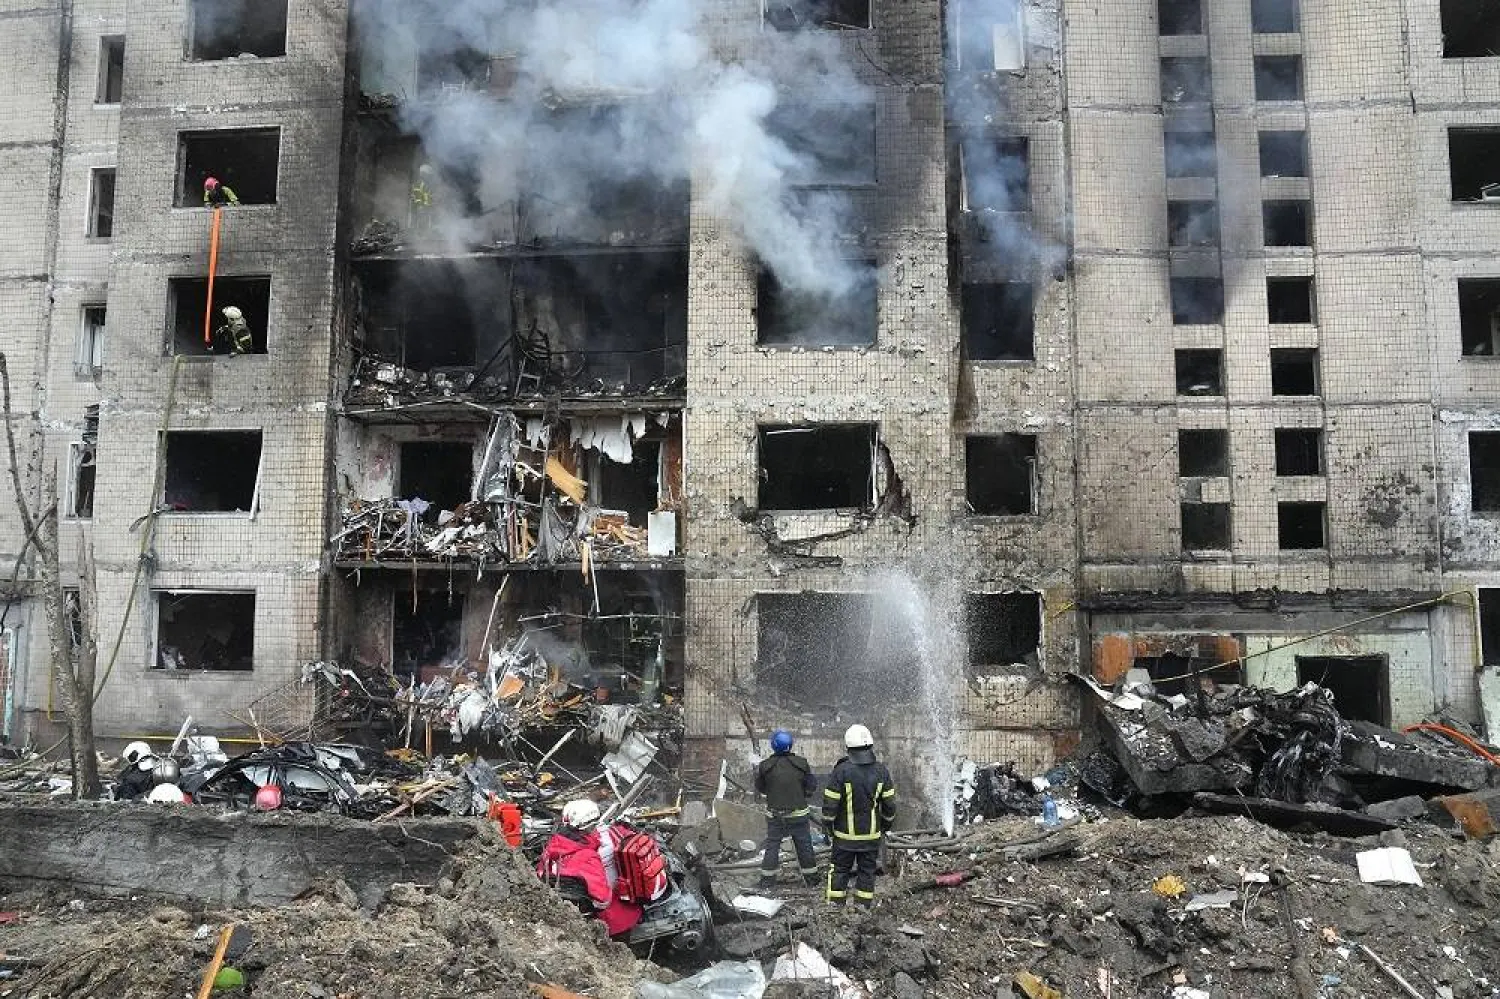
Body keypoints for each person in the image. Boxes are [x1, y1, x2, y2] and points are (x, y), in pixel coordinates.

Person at [536, 799, 642, 936]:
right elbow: (603, 901)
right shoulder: (588, 857)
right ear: (591, 826)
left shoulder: (554, 844)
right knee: (629, 912)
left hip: (563, 907)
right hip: (606, 922)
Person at [821, 724, 897, 905]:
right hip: (870, 837)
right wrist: (886, 825)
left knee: (839, 871)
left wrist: (828, 827)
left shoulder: (841, 771)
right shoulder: (881, 771)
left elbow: (830, 804)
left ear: (848, 747)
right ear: (870, 745)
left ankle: (834, 909)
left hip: (844, 837)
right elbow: (890, 805)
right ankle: (862, 909)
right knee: (867, 872)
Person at [755, 728, 820, 889]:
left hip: (775, 816)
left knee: (772, 846)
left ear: (773, 745)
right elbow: (811, 786)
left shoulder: (765, 766)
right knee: (804, 846)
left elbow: (761, 788)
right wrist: (802, 793)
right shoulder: (802, 764)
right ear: (790, 745)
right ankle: (812, 880)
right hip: (799, 815)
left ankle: (767, 881)